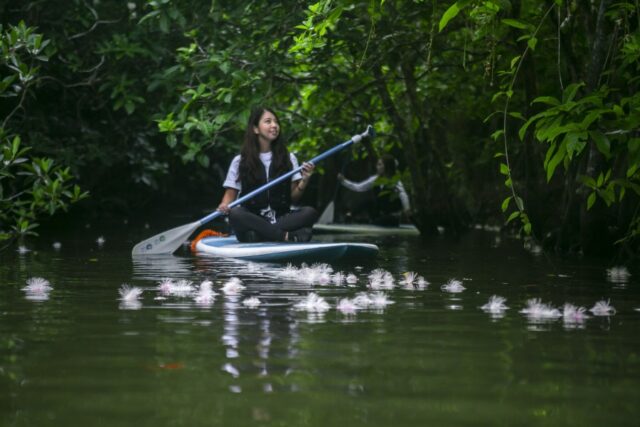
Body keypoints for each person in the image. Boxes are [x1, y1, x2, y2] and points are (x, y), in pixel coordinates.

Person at [217, 107, 317, 242]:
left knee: (310, 212)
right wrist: (224, 206)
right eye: (268, 121)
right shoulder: (240, 161)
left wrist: (305, 180)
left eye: (276, 122)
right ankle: (285, 236)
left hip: (281, 218)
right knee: (236, 213)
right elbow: (229, 197)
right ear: (255, 129)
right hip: (252, 218)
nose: (274, 125)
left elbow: (293, 198)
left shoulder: (289, 158)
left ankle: (260, 235)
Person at [337, 154, 411, 226]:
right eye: (377, 164)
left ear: (387, 166)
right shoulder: (375, 179)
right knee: (368, 201)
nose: (377, 167)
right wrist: (343, 181)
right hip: (379, 213)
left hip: (391, 217)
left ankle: (371, 223)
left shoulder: (395, 181)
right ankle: (350, 214)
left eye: (380, 165)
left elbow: (403, 195)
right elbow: (359, 187)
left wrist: (407, 210)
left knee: (381, 220)